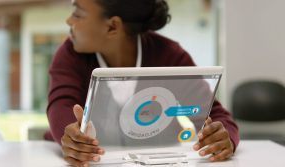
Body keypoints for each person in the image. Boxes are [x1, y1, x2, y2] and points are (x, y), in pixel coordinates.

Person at [45, 0, 239, 166]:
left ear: (112, 26)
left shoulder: (169, 55)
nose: (69, 20)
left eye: (78, 13)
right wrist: (71, 136)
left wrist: (222, 137)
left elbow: (215, 115)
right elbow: (60, 104)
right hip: (98, 161)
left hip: (157, 160)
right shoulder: (70, 55)